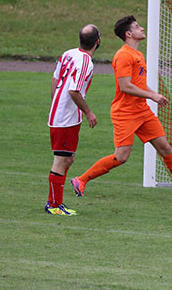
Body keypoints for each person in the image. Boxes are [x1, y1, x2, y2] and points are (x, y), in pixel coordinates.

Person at [71, 16, 172, 200]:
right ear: (128, 34)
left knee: (164, 147)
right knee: (121, 157)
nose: (141, 29)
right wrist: (153, 96)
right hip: (125, 113)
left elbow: (138, 84)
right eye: (137, 27)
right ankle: (81, 179)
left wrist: (152, 95)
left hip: (142, 111)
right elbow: (125, 86)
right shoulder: (123, 55)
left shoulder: (138, 55)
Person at [46, 24, 101, 215]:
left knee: (68, 158)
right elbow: (73, 90)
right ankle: (53, 205)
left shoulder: (68, 54)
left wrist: (56, 104)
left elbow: (55, 80)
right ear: (98, 42)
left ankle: (56, 203)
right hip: (66, 118)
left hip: (62, 114)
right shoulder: (86, 62)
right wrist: (88, 112)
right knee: (61, 160)